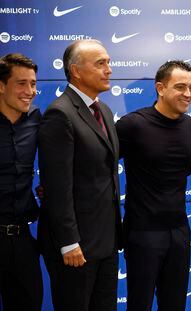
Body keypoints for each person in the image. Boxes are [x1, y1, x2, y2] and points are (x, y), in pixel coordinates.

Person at [38, 39, 122, 311]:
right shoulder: (59, 114)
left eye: (108, 62)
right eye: (100, 63)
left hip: (106, 242)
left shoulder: (104, 110)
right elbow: (56, 187)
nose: (109, 69)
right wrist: (68, 242)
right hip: (76, 248)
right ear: (75, 71)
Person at [116, 60, 191, 311]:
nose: (188, 94)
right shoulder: (132, 124)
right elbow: (97, 165)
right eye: (180, 87)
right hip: (143, 233)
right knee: (139, 305)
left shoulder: (188, 124)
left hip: (180, 231)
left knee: (175, 305)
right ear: (160, 88)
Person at [0, 53, 43, 310]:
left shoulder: (36, 119)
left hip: (22, 238)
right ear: (2, 85)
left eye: (33, 83)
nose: (30, 91)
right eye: (21, 83)